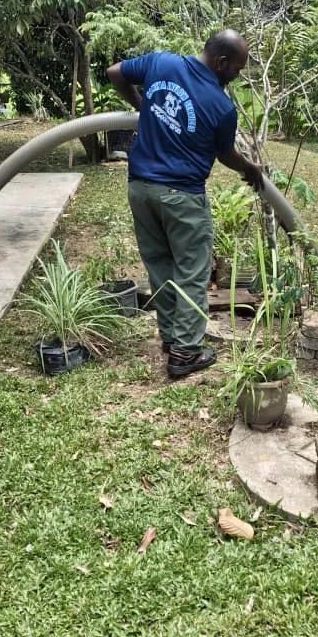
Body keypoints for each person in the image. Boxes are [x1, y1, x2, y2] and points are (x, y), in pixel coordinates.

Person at [106, 29, 263, 378]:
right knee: (192, 272)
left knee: (160, 266)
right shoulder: (221, 107)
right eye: (236, 69)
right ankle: (186, 353)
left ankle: (171, 338)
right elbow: (225, 155)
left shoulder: (161, 62)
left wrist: (141, 104)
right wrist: (250, 169)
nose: (236, 76)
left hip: (141, 189)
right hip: (182, 197)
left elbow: (115, 73)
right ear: (221, 62)